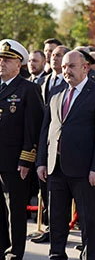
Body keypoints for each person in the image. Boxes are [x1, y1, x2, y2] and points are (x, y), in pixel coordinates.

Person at [36, 50, 95, 260]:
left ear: (85, 68)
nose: (66, 71)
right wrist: (41, 161)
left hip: (84, 169)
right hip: (56, 167)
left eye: (71, 66)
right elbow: (47, 129)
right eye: (63, 67)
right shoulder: (57, 92)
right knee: (57, 219)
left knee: (88, 222)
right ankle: (56, 255)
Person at [0, 39, 44, 260]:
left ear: (19, 64)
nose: (1, 63)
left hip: (14, 161)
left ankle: (15, 251)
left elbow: (33, 128)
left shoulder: (29, 89)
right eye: (0, 59)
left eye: (7, 60)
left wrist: (27, 160)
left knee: (15, 210)